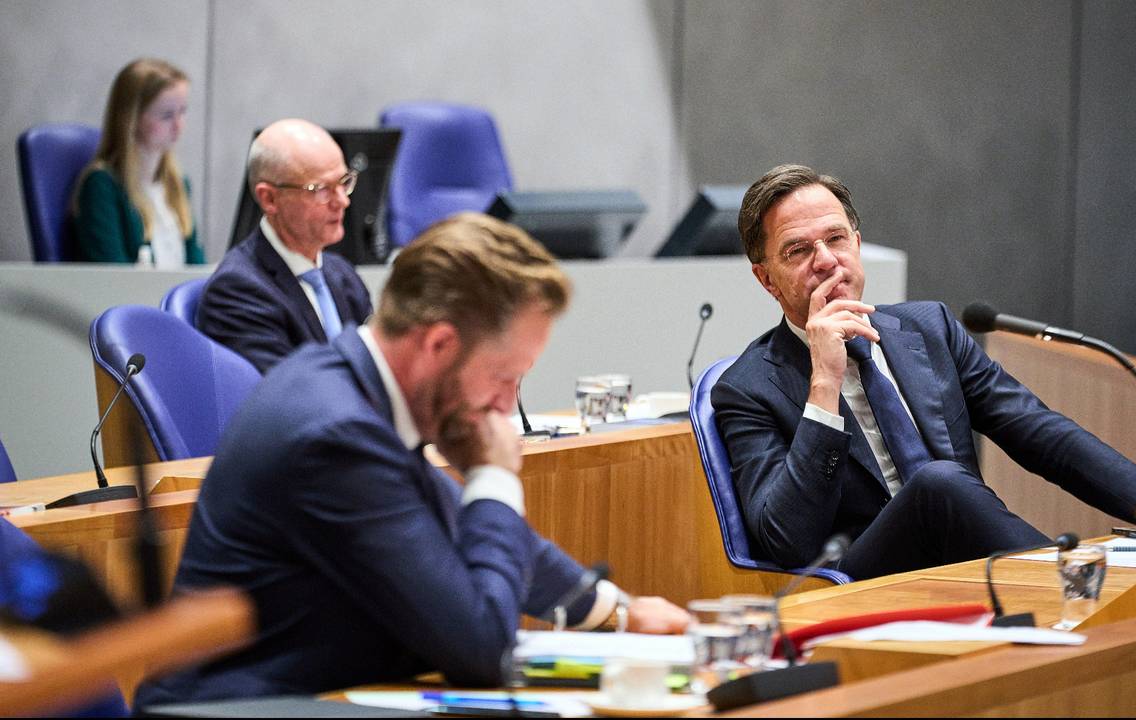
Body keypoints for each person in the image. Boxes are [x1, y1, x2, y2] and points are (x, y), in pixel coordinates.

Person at [133, 213, 688, 708]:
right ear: (439, 345)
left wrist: (621, 613)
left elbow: (458, 523)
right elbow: (481, 648)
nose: (506, 405)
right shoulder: (335, 433)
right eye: (504, 377)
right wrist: (493, 475)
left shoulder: (355, 393)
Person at [712, 164, 1136, 580]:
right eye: (798, 251)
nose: (826, 260)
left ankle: (1077, 584)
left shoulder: (928, 328)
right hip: (863, 584)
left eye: (836, 239)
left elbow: (1036, 430)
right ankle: (1074, 585)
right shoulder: (747, 388)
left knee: (944, 483)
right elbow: (786, 541)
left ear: (856, 244)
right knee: (938, 482)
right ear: (766, 279)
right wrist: (824, 384)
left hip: (973, 567)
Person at [196, 118, 372, 373]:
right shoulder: (237, 290)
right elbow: (287, 390)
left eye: (344, 182)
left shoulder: (343, 274)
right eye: (321, 189)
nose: (342, 201)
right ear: (269, 199)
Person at [72, 58, 204, 267]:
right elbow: (113, 273)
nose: (179, 126)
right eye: (167, 115)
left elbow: (195, 265)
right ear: (131, 119)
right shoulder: (102, 186)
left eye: (182, 112)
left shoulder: (178, 184)